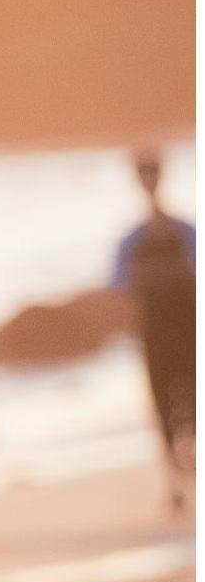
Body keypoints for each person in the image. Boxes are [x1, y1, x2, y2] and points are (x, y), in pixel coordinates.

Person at [112, 146, 195, 511]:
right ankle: (175, 482)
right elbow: (119, 287)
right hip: (157, 332)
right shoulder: (134, 239)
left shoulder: (182, 230)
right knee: (164, 406)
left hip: (186, 328)